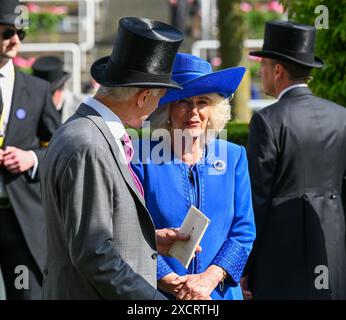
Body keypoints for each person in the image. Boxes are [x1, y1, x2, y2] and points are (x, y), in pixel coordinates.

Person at [41, 17, 187, 300]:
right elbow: (94, 253)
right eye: (160, 98)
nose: (159, 107)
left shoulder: (84, 132)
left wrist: (148, 241)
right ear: (144, 97)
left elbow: (88, 232)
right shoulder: (89, 144)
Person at [132, 52, 256, 300]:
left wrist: (208, 280)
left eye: (202, 102)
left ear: (214, 109)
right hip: (161, 293)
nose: (194, 112)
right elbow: (129, 230)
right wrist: (174, 283)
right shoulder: (140, 158)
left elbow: (243, 231)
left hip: (218, 293)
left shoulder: (233, 157)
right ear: (167, 108)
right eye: (183, 102)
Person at [243, 20, 346, 299]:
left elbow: (257, 199)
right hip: (332, 248)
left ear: (277, 70)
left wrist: (244, 266)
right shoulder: (341, 116)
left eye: (262, 64)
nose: (259, 70)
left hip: (281, 257)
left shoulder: (268, 120)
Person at [0, 0, 60, 300]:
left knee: (25, 296)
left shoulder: (38, 90)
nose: (14, 40)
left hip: (20, 222)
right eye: (7, 32)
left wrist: (32, 158)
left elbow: (61, 150)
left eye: (20, 34)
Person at [32, 55, 85, 123]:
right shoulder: (31, 108)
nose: (43, 99)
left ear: (61, 88)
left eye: (48, 94)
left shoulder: (82, 106)